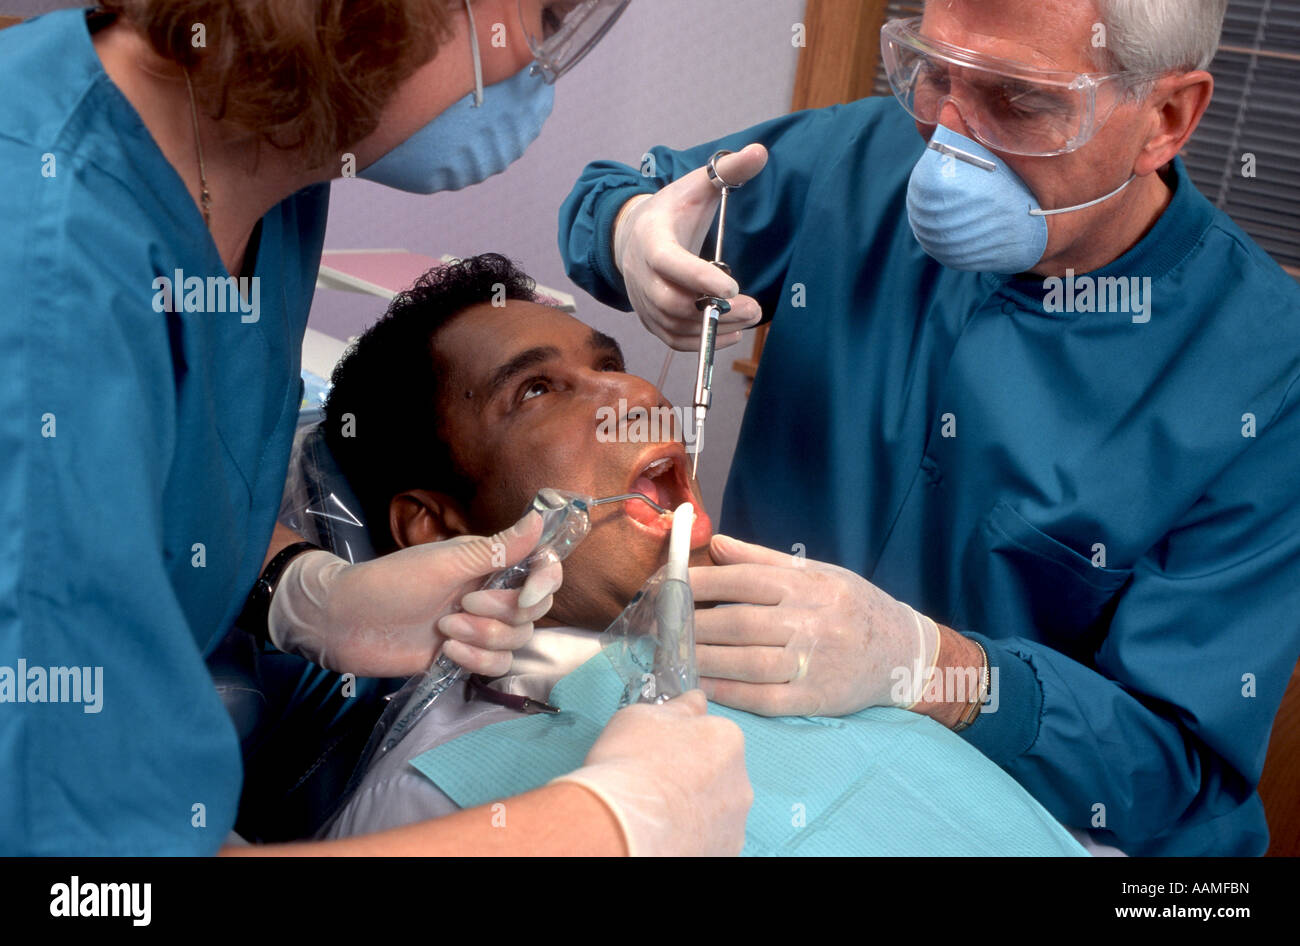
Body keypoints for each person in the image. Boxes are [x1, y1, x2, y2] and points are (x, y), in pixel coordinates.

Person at [0, 0, 750, 857]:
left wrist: (299, 589)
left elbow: (166, 481)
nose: (533, 68)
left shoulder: (272, 170)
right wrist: (598, 830)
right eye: (540, 18)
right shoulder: (44, 269)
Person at [558, 0, 1300, 855]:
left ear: (1166, 117)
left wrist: (934, 668)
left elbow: (1174, 762)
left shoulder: (1265, 372)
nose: (948, 138)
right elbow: (621, 193)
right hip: (775, 772)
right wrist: (631, 232)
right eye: (935, 71)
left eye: (1017, 101)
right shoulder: (854, 159)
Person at [310, 253, 1084, 856]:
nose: (638, 395)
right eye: (538, 391)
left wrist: (933, 665)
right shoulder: (437, 795)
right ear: (434, 525)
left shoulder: (827, 644)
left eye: (609, 364)